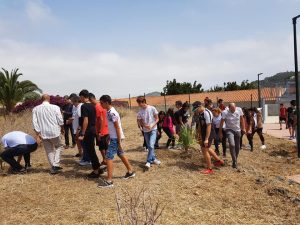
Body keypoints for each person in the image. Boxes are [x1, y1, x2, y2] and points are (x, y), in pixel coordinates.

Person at [98, 95, 135, 188]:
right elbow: (113, 127)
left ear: (106, 102)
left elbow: (117, 128)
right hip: (114, 137)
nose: (100, 104)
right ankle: (130, 171)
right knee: (120, 153)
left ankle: (109, 181)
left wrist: (118, 141)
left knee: (109, 157)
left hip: (116, 138)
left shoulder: (112, 113)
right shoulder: (108, 111)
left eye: (101, 103)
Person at [32, 94, 64, 174]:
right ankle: (55, 165)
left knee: (49, 150)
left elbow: (34, 122)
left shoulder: (35, 109)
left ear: (41, 99)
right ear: (49, 99)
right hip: (54, 131)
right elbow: (60, 119)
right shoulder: (55, 107)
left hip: (43, 133)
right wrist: (62, 128)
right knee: (59, 146)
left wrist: (37, 133)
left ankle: (53, 166)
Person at [192, 102, 224, 175]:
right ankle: (219, 161)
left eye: (196, 109)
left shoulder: (207, 113)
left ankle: (209, 169)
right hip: (203, 133)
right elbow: (200, 124)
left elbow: (209, 126)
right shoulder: (200, 113)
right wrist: (198, 134)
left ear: (200, 106)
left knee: (204, 150)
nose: (195, 111)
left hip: (208, 133)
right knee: (208, 148)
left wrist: (206, 139)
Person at [78, 90, 103, 178]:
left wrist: (83, 133)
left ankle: (96, 171)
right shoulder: (93, 106)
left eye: (80, 97)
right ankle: (97, 168)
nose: (79, 99)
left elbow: (86, 120)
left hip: (88, 131)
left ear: (82, 96)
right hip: (92, 130)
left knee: (90, 151)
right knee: (92, 150)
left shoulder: (84, 106)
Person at [136, 96, 160, 170]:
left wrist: (152, 125)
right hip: (146, 131)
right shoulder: (140, 112)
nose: (139, 105)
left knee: (151, 145)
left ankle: (148, 162)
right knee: (149, 146)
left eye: (140, 103)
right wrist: (144, 126)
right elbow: (140, 122)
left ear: (144, 102)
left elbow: (157, 119)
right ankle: (154, 159)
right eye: (138, 104)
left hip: (153, 130)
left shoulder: (152, 108)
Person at [219, 103, 246, 169]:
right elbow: (221, 122)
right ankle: (234, 161)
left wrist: (243, 128)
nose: (233, 110)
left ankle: (234, 160)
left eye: (234, 109)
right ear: (229, 108)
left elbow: (242, 119)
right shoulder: (225, 112)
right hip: (229, 129)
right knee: (232, 144)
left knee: (237, 147)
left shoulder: (239, 110)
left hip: (237, 130)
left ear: (236, 107)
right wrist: (220, 133)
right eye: (232, 109)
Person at [89, 93, 109, 169]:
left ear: (91, 99)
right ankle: (106, 160)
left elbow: (100, 119)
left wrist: (99, 132)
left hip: (101, 131)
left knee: (102, 147)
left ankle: (105, 161)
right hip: (106, 129)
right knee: (105, 146)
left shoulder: (97, 107)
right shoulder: (102, 105)